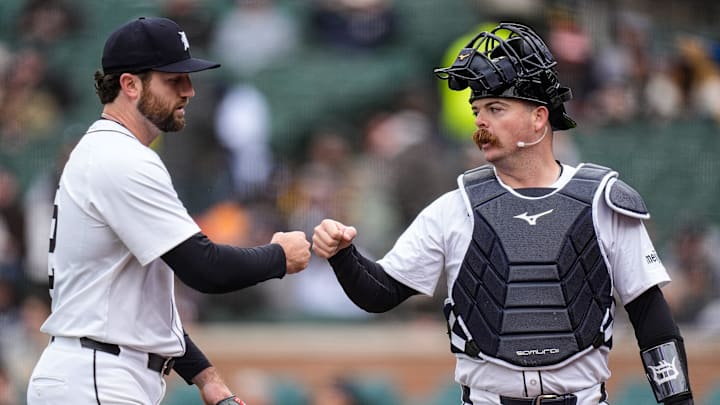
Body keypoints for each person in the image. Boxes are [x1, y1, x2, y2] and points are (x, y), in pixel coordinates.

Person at [312, 22, 694, 405]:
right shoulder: (454, 208)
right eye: (478, 109)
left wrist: (678, 402)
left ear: (539, 118)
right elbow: (380, 293)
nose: (481, 121)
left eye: (496, 108)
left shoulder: (603, 202)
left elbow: (651, 319)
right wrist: (343, 255)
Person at [26, 16, 311, 405]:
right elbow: (204, 267)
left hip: (98, 371)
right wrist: (280, 256)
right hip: (97, 376)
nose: (189, 90)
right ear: (129, 84)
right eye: (173, 79)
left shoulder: (111, 151)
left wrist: (204, 376)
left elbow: (142, 299)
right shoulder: (120, 157)